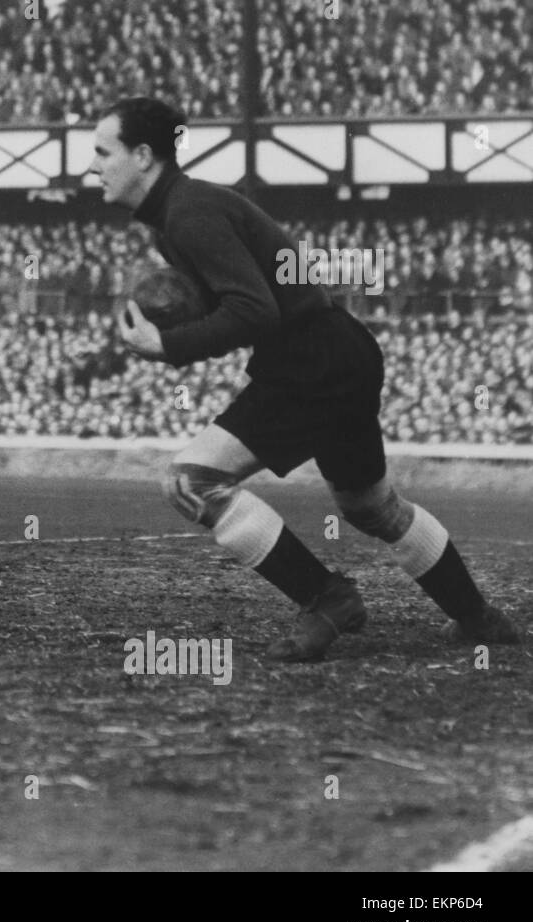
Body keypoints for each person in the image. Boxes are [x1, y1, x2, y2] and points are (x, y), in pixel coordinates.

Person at [95, 96, 520, 661]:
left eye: (103, 152)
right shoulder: (181, 214)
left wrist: (167, 344)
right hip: (339, 351)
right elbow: (252, 304)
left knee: (191, 482)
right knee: (373, 509)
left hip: (310, 360)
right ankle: (478, 619)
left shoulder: (188, 214)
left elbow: (254, 312)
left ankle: (328, 597)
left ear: (143, 156)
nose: (94, 165)